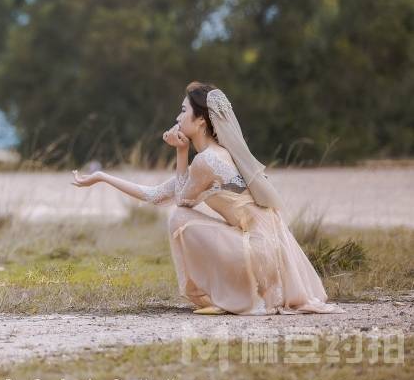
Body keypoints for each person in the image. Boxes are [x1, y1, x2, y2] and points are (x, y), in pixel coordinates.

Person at [71, 82, 343, 316]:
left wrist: (180, 153)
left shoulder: (206, 161)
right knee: (178, 215)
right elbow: (155, 195)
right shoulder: (213, 157)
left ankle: (219, 298)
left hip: (259, 255)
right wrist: (102, 177)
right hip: (268, 254)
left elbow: (182, 202)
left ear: (201, 120)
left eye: (183, 110)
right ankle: (228, 295)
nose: (177, 118)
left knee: (178, 218)